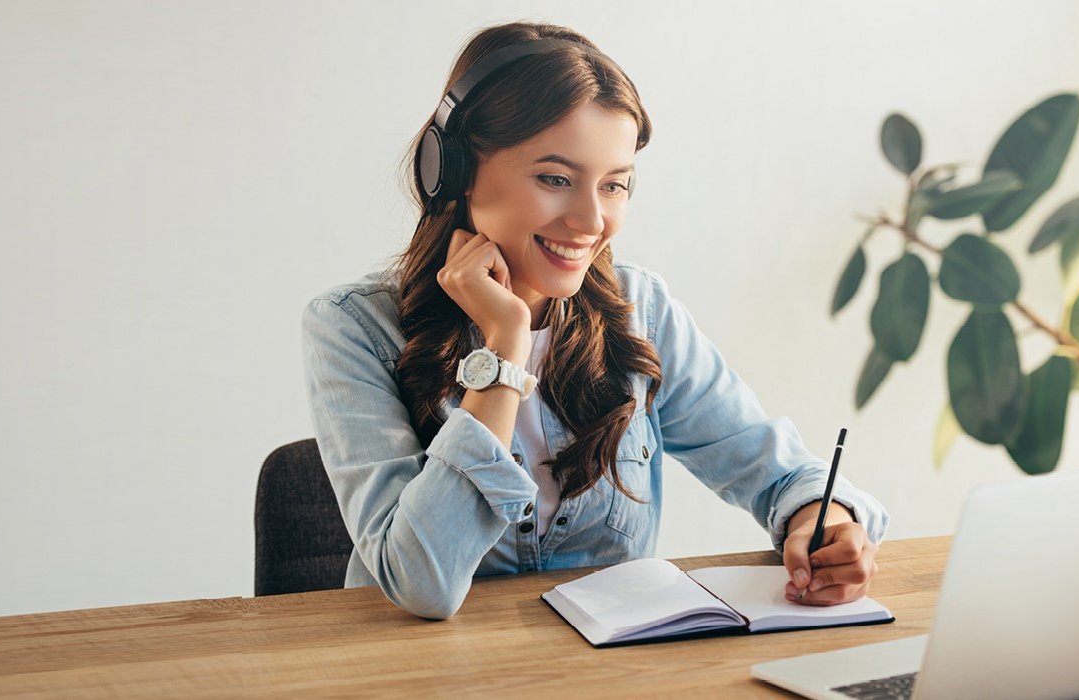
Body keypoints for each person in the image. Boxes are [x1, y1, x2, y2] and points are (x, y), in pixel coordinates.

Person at [300, 21, 889, 620]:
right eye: (556, 179)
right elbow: (421, 582)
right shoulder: (354, 329)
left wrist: (824, 519)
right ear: (453, 171)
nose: (590, 220)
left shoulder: (642, 310)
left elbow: (775, 469)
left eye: (614, 186)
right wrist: (504, 351)